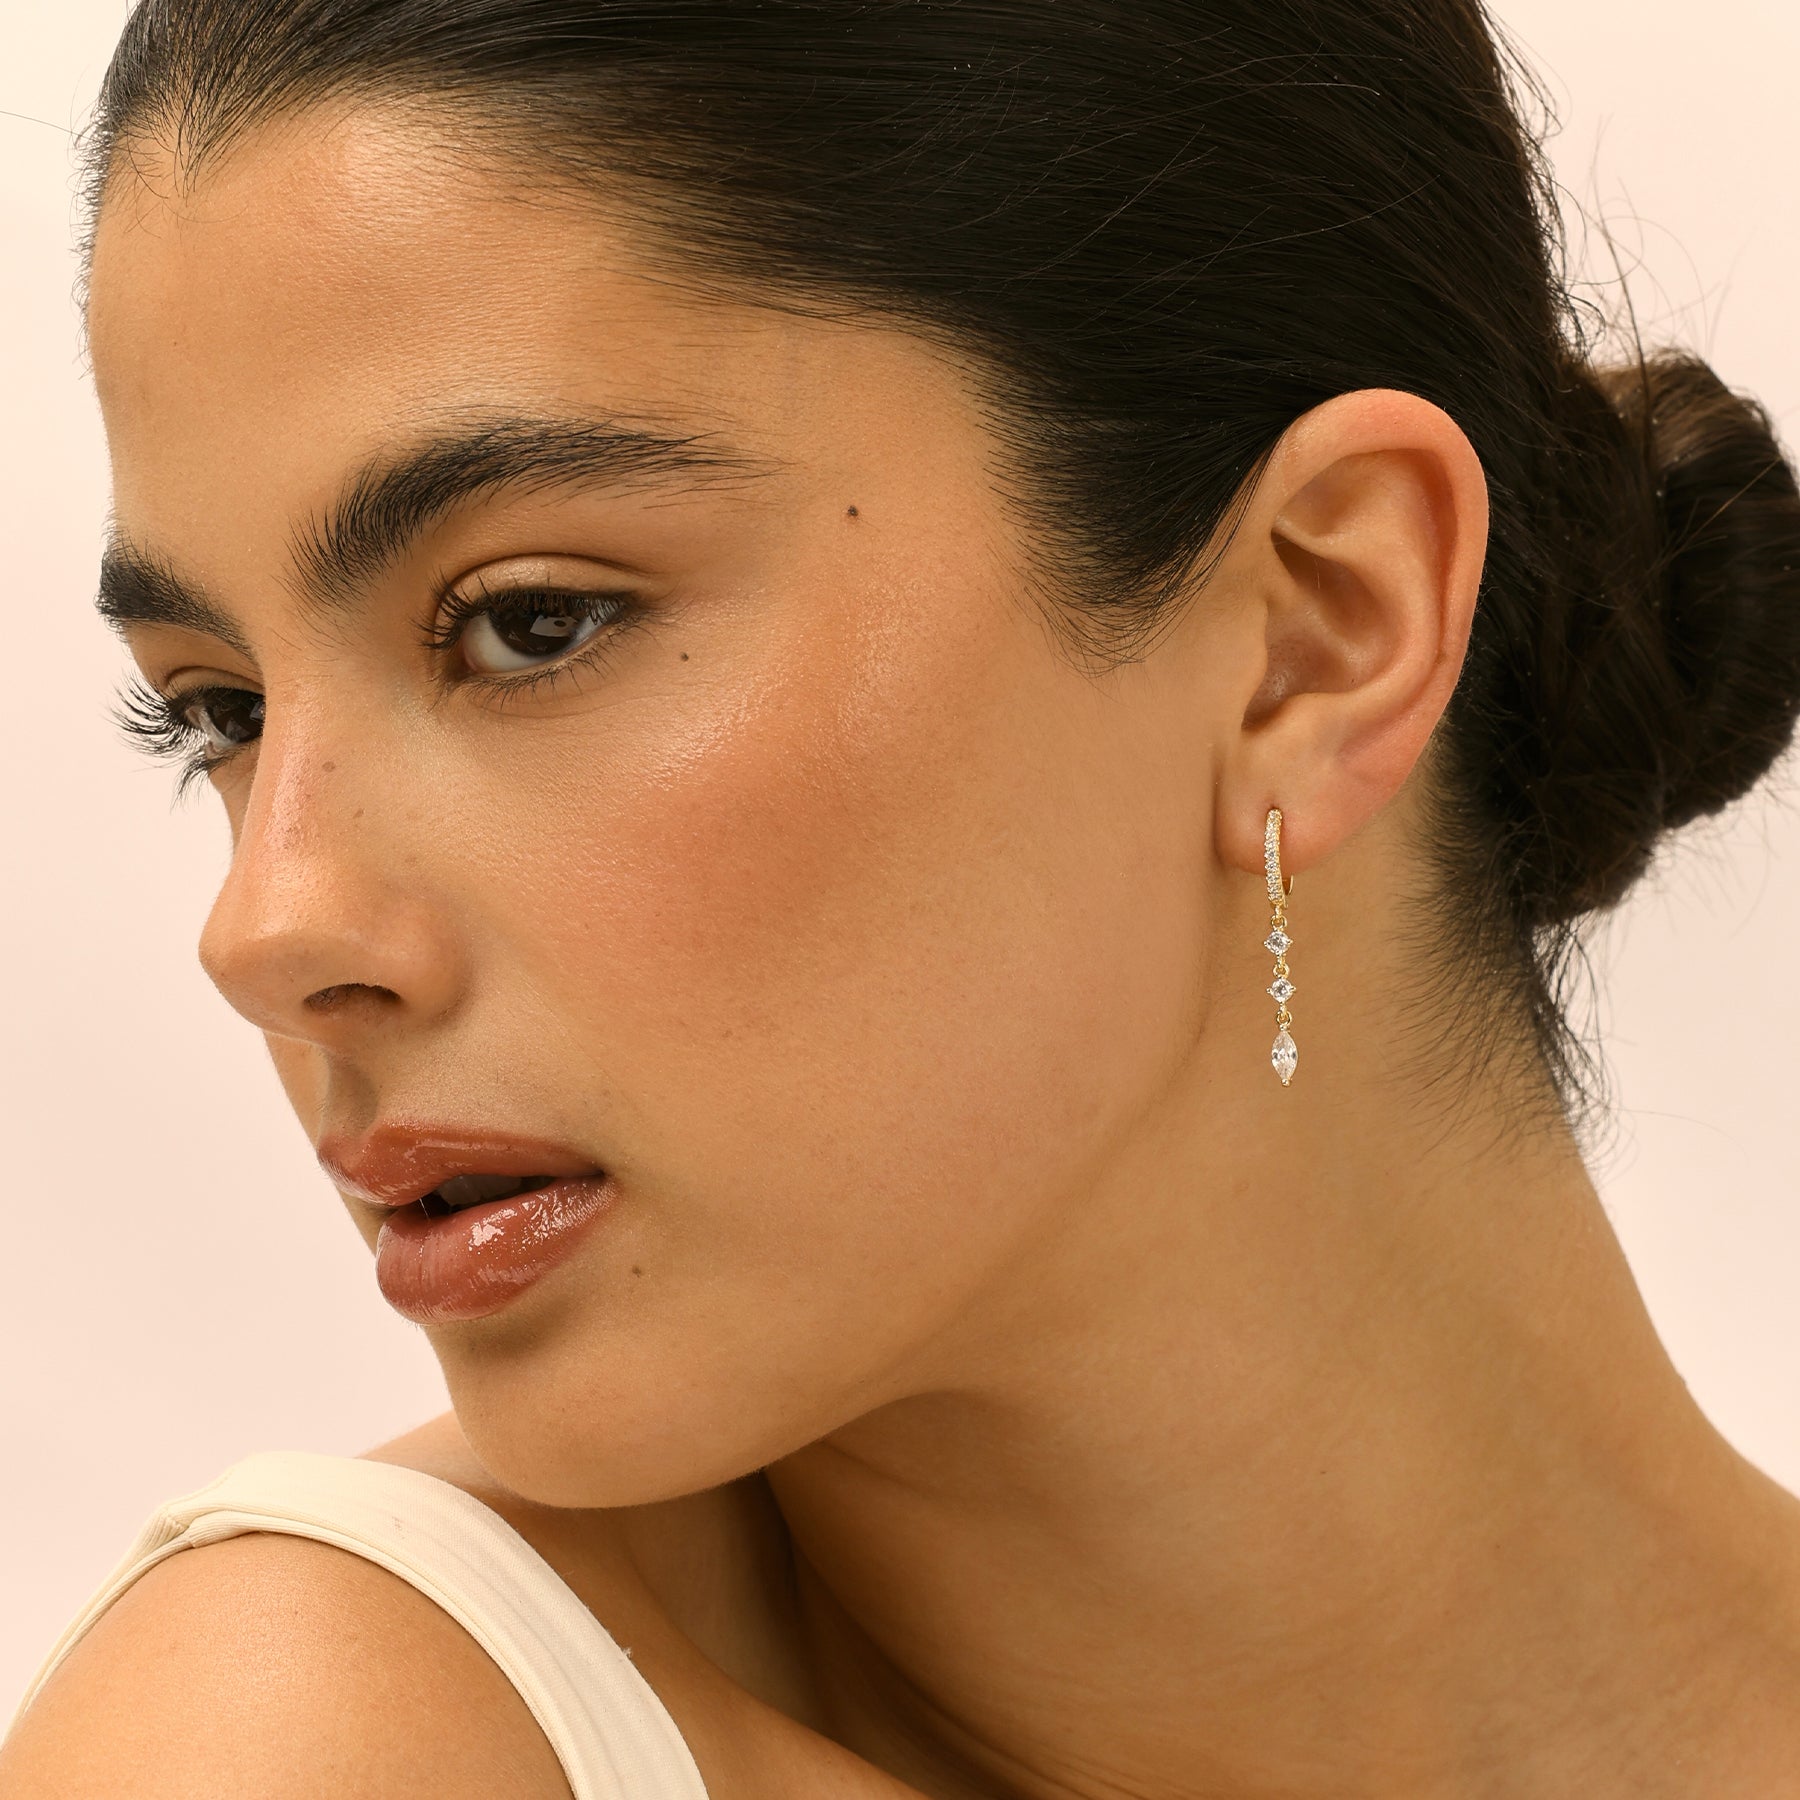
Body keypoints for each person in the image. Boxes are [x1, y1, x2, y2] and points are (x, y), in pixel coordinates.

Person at [6, 1, 1800, 1794]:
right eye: (221, 711)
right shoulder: (318, 1742)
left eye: (533, 623)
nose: (267, 929)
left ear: (1317, 630)